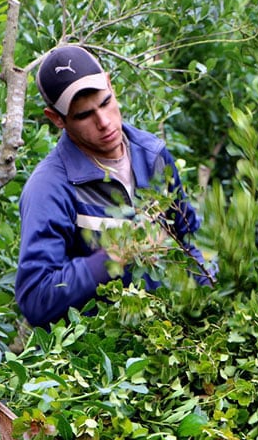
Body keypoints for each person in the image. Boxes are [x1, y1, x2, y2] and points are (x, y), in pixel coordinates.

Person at [15, 44, 213, 328]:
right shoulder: (50, 188)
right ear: (56, 118)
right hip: (98, 355)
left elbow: (189, 237)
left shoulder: (152, 155)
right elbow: (36, 298)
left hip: (163, 340)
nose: (105, 123)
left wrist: (209, 290)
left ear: (110, 84)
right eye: (84, 115)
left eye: (105, 102)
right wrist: (111, 258)